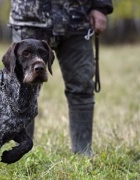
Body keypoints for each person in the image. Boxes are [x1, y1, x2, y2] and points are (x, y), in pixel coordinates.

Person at [9, 0, 113, 156]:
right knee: (22, 90)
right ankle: (21, 153)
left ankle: (83, 152)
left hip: (77, 17)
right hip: (29, 17)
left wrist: (100, 6)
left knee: (82, 86)